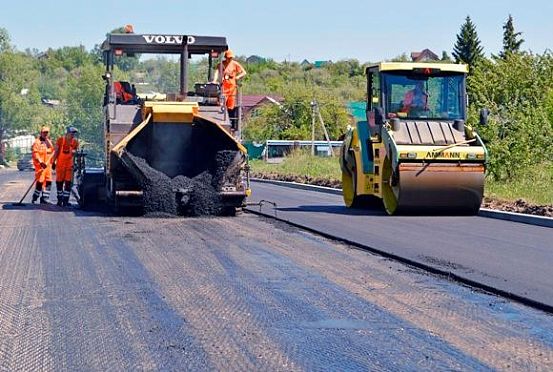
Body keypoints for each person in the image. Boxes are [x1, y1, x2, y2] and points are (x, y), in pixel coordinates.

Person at [212, 50, 247, 129]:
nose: (229, 59)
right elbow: (217, 72)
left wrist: (237, 77)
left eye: (231, 58)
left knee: (231, 105)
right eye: (228, 57)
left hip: (232, 86)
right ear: (225, 57)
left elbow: (244, 72)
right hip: (223, 86)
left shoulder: (235, 64)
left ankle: (231, 123)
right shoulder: (221, 64)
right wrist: (214, 80)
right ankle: (221, 120)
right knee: (222, 103)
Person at [52, 127, 79, 207]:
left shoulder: (75, 142)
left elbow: (76, 155)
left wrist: (76, 164)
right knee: (59, 183)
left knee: (68, 183)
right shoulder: (60, 140)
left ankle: (66, 201)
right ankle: (60, 200)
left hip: (69, 166)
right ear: (67, 133)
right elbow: (56, 151)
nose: (73, 135)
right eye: (71, 133)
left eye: (74, 133)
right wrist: (53, 162)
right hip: (60, 165)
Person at [31, 126, 54, 204]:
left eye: (47, 132)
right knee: (40, 182)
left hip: (48, 167)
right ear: (41, 133)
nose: (45, 134)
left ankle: (45, 198)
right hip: (40, 166)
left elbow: (53, 151)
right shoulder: (37, 142)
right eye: (44, 132)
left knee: (48, 182)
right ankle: (35, 197)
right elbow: (35, 154)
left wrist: (54, 163)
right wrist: (41, 162)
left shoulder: (48, 142)